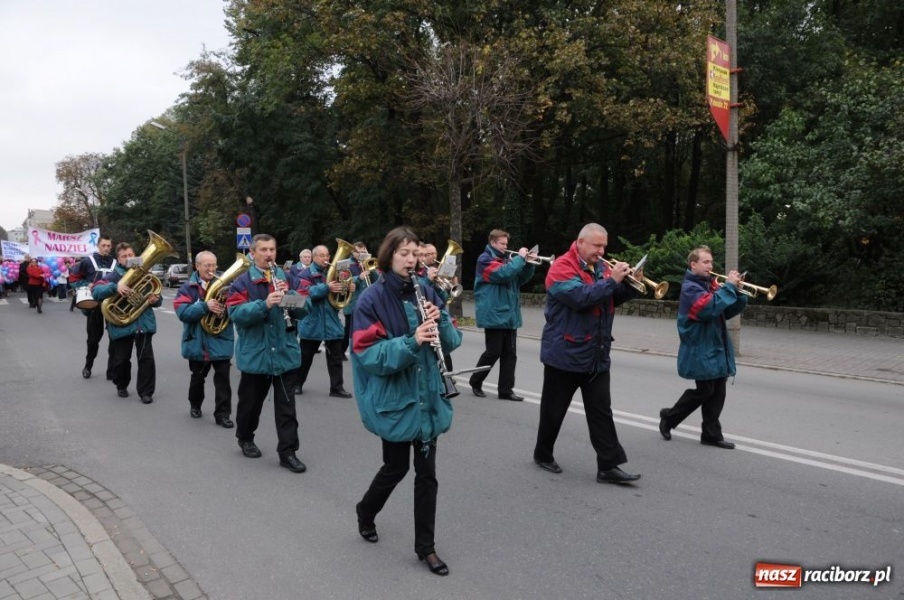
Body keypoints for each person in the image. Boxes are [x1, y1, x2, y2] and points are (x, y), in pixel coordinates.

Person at [351, 226, 462, 577]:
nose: (411, 259)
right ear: (389, 256)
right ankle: (365, 511)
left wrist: (439, 317)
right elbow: (369, 355)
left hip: (427, 395)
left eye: (415, 253)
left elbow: (453, 341)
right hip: (396, 399)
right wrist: (412, 340)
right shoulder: (371, 299)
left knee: (427, 476)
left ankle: (425, 548)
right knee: (395, 468)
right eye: (404, 253)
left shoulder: (427, 289)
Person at [532, 223, 642, 484]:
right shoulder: (561, 268)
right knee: (553, 410)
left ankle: (608, 466)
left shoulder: (602, 268)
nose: (602, 251)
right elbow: (581, 298)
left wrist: (631, 283)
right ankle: (542, 453)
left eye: (604, 245)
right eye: (596, 245)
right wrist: (611, 280)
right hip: (565, 353)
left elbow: (611, 298)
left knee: (601, 411)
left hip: (596, 352)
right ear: (580, 243)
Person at [225, 234, 309, 473]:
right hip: (256, 355)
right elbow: (236, 314)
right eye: (263, 249)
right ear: (253, 253)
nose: (269, 254)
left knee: (287, 409)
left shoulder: (288, 277)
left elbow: (306, 309)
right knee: (250, 405)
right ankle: (245, 437)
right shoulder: (242, 282)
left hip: (285, 352)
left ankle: (288, 452)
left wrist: (290, 299)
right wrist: (265, 304)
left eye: (272, 249)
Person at [658, 246, 748, 449]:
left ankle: (711, 434)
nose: (710, 266)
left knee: (718, 392)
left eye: (711, 262)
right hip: (700, 347)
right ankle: (669, 417)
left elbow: (727, 309)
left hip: (715, 346)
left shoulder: (710, 285)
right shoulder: (690, 288)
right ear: (693, 264)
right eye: (705, 262)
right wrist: (728, 288)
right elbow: (709, 308)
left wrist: (739, 292)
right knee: (705, 391)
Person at [468, 229, 536, 401]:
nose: (506, 247)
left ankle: (505, 391)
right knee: (493, 352)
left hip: (509, 314)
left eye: (507, 244)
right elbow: (502, 274)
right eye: (502, 244)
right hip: (494, 314)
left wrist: (528, 264)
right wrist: (520, 258)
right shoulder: (485, 260)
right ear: (493, 243)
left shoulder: (507, 260)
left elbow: (519, 279)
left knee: (510, 354)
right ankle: (476, 381)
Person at [91, 242, 161, 404]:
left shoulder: (144, 274)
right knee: (121, 360)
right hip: (121, 325)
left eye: (131, 255)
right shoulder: (112, 276)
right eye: (124, 256)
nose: (128, 258)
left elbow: (157, 298)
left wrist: (154, 299)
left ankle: (146, 392)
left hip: (143, 324)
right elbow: (96, 291)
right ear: (119, 259)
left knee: (146, 359)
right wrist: (115, 288)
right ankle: (121, 384)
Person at [174, 251, 235, 428]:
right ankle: (195, 404)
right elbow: (183, 313)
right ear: (197, 266)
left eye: (214, 265)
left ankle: (223, 414)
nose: (211, 269)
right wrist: (204, 306)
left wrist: (225, 311)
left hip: (221, 339)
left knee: (223, 379)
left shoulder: (226, 286)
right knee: (198, 377)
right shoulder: (187, 288)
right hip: (197, 341)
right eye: (207, 265)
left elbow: (236, 308)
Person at [295, 244, 353, 398]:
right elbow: (306, 293)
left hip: (332, 320)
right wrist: (326, 288)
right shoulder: (305, 274)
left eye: (327, 255)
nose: (326, 258)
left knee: (336, 358)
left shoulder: (333, 272)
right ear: (314, 257)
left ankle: (337, 388)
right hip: (312, 320)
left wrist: (348, 288)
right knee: (305, 357)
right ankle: (297, 384)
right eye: (322, 255)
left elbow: (341, 292)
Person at [71, 235, 115, 379]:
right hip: (94, 304)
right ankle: (88, 366)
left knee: (114, 337)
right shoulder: (88, 261)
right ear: (98, 245)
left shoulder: (114, 263)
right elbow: (73, 277)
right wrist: (85, 285)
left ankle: (111, 369)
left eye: (109, 246)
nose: (106, 248)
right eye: (104, 245)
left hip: (112, 305)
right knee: (93, 339)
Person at [341, 241, 370, 358]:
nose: (360, 255)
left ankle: (362, 350)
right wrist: (359, 277)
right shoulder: (346, 264)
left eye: (363, 252)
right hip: (352, 302)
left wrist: (369, 267)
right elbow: (343, 282)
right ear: (353, 252)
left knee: (364, 328)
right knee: (349, 329)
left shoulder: (366, 263)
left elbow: (377, 279)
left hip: (365, 302)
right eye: (358, 252)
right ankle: (341, 350)